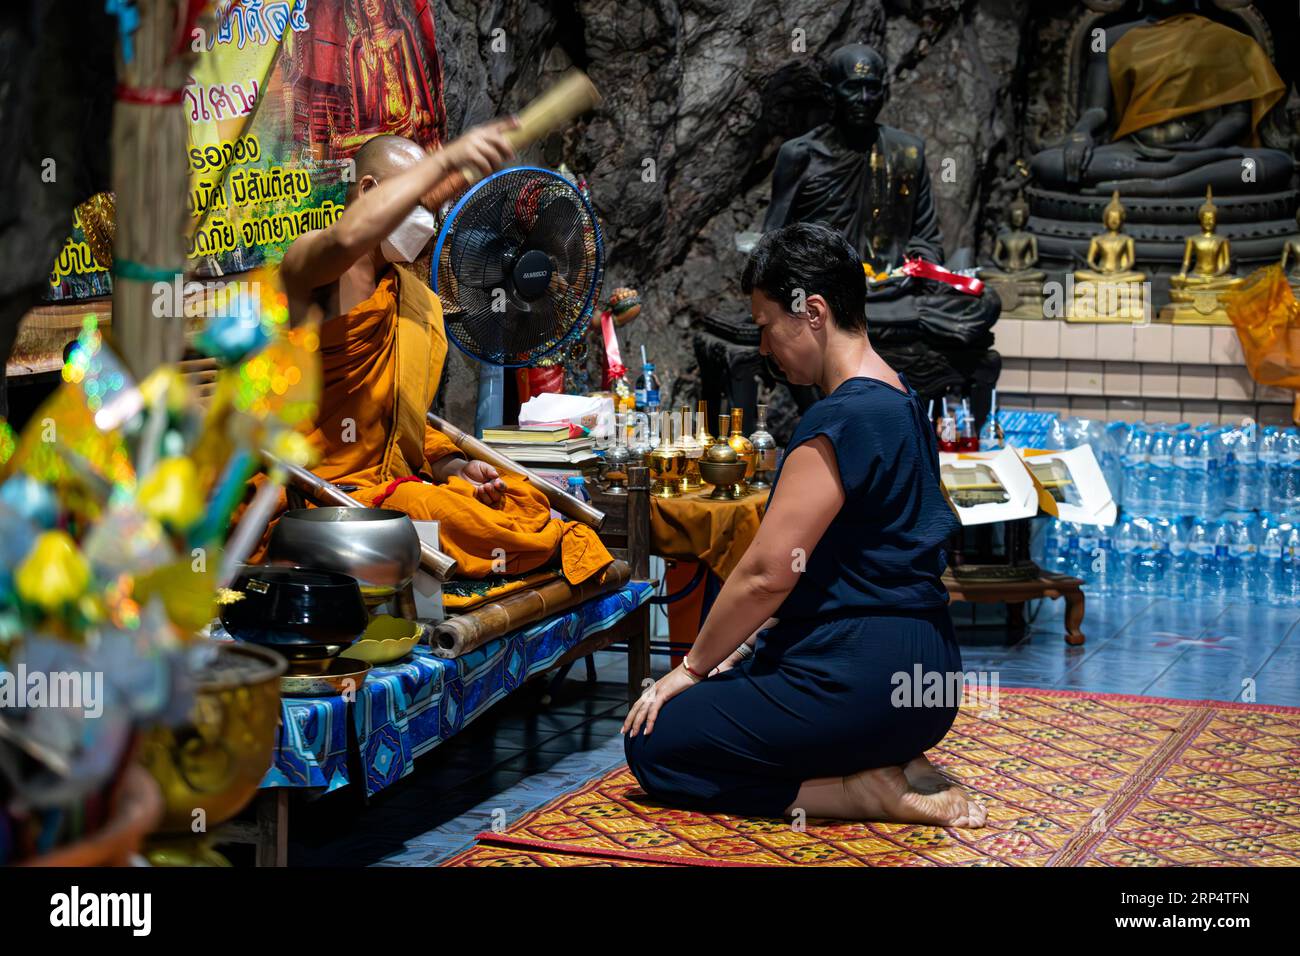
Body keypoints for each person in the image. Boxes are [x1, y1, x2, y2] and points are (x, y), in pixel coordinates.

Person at [624, 223, 985, 827]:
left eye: (766, 326)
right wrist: (742, 648)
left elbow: (767, 574)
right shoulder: (904, 401)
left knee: (655, 742)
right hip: (930, 686)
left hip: (859, 680)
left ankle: (856, 793)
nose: (763, 348)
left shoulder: (841, 420)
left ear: (811, 312)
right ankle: (890, 755)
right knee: (748, 681)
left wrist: (690, 669)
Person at [276, 127, 613, 583]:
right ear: (370, 190)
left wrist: (457, 467)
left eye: (432, 208)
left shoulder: (414, 299)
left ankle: (534, 539)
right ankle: (543, 546)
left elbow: (402, 428)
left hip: (393, 487)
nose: (427, 220)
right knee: (449, 515)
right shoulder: (313, 263)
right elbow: (342, 242)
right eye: (418, 201)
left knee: (520, 497)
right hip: (321, 496)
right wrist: (444, 161)